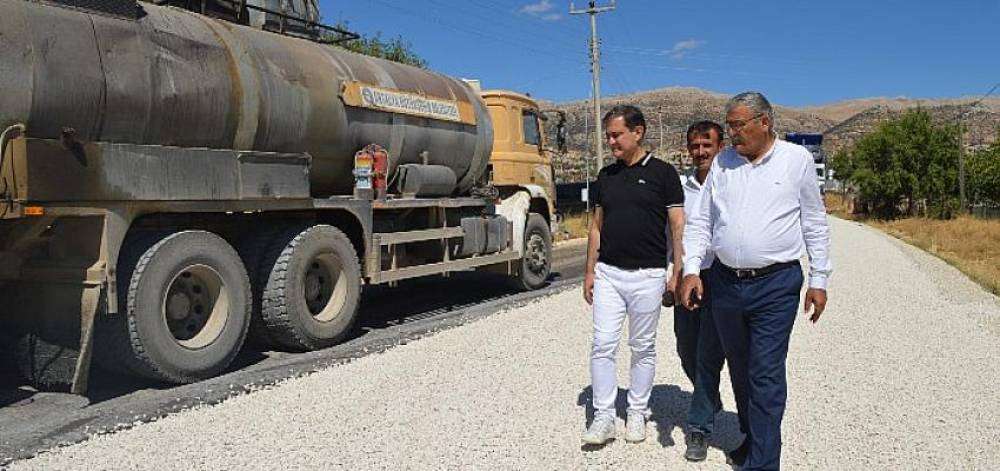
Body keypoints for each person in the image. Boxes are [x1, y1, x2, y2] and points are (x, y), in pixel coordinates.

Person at [679, 92, 831, 470]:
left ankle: (763, 463)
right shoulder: (723, 163)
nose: (732, 134)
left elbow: (814, 220)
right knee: (741, 370)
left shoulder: (796, 160)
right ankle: (754, 441)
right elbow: (702, 222)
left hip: (775, 285)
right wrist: (692, 270)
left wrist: (819, 278)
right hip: (726, 284)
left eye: (739, 125)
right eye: (729, 126)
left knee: (765, 374)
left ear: (765, 122)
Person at [581, 105, 685, 445]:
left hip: (649, 275)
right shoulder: (605, 177)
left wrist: (677, 271)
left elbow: (677, 226)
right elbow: (596, 227)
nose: (611, 142)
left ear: (637, 132)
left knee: (642, 347)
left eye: (616, 135)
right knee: (603, 345)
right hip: (609, 274)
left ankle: (637, 411)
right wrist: (589, 271)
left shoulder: (663, 174)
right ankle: (604, 417)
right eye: (608, 136)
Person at [674, 121, 726, 462]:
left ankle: (699, 428)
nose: (701, 151)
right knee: (686, 348)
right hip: (688, 276)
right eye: (695, 146)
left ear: (720, 147)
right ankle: (710, 397)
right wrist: (673, 276)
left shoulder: (731, 183)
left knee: (709, 354)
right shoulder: (682, 189)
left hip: (721, 278)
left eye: (707, 145)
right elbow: (674, 234)